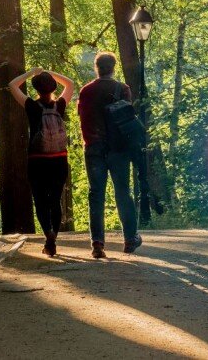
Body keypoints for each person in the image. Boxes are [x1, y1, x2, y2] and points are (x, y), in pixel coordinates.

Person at [77, 50, 142, 258]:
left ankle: (97, 244)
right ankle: (130, 239)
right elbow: (128, 120)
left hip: (94, 147)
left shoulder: (86, 91)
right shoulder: (122, 89)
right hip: (119, 149)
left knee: (96, 195)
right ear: (113, 67)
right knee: (123, 192)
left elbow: (82, 119)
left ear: (96, 68)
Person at [9, 67, 74, 257]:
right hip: (59, 159)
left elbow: (12, 84)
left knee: (40, 200)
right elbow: (70, 83)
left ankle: (48, 234)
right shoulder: (60, 105)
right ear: (53, 87)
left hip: (37, 160)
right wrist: (50, 72)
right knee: (55, 200)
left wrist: (31, 73)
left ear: (36, 89)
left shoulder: (31, 106)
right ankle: (52, 238)